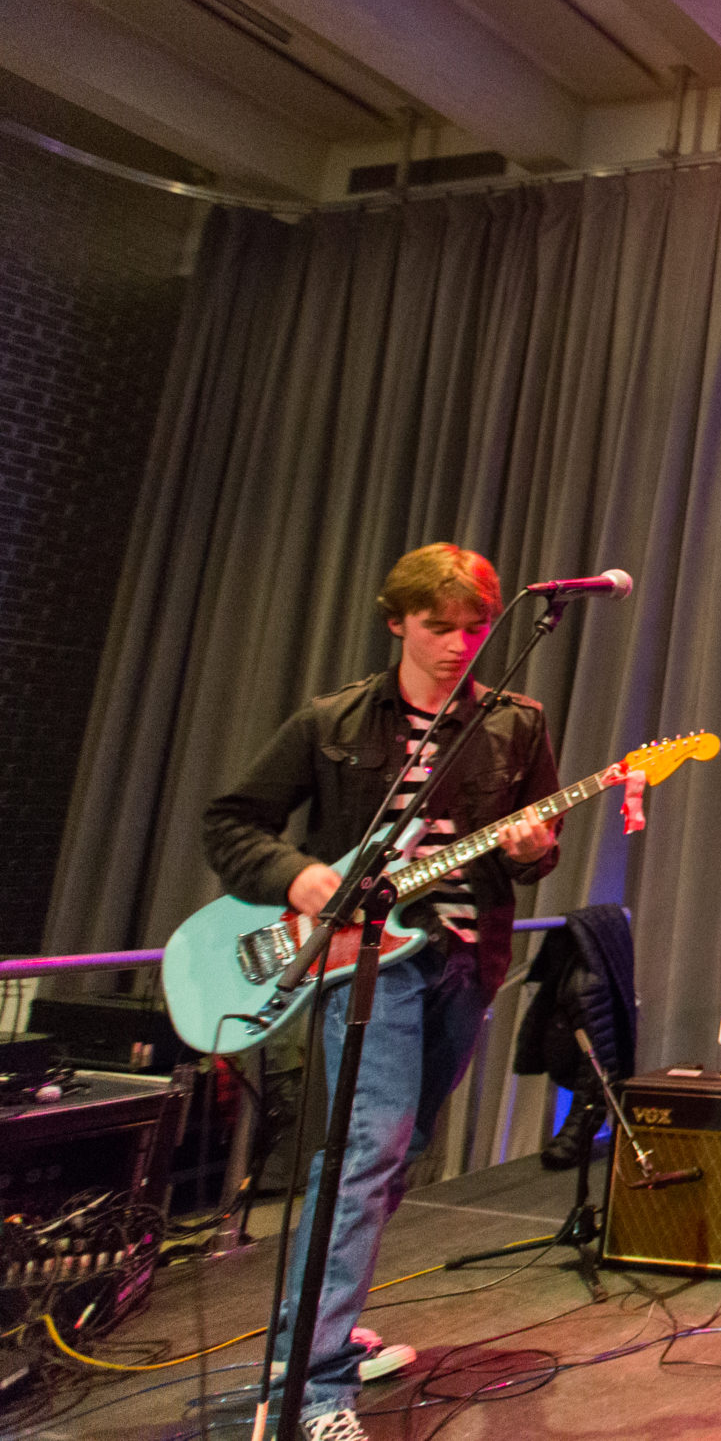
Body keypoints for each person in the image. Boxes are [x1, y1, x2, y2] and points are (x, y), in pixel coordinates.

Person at [203, 544, 561, 1441]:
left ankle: (309, 1333)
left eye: (475, 628)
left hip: (464, 958)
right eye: (440, 627)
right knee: (367, 1153)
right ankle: (316, 1388)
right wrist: (302, 878)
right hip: (365, 962)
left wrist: (532, 847)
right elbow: (231, 822)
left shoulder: (517, 723)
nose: (459, 645)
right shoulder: (333, 720)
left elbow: (541, 841)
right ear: (397, 619)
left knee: (396, 1156)